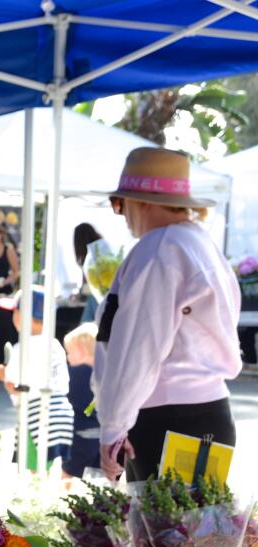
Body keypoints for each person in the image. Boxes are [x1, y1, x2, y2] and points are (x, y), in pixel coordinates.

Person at [94, 147, 242, 481]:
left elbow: (139, 345)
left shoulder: (160, 248)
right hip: (206, 412)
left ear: (142, 202)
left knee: (164, 531)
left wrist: (114, 425)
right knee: (196, 530)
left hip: (170, 417)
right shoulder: (198, 243)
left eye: (121, 204)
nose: (122, 213)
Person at [0, 290, 74, 472]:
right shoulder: (55, 345)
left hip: (36, 415)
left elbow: (16, 389)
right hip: (62, 412)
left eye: (15, 311)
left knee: (34, 473)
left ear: (23, 316)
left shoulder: (20, 348)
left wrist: (4, 376)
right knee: (50, 469)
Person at [62, 323, 100, 480]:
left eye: (70, 352)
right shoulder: (104, 374)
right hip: (101, 436)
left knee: (68, 477)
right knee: (98, 479)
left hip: (79, 435)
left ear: (83, 350)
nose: (68, 357)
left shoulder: (75, 374)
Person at [73, 222, 105, 323]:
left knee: (85, 325)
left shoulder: (92, 257)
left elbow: (88, 284)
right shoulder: (102, 248)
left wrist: (79, 295)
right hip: (105, 299)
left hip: (98, 299)